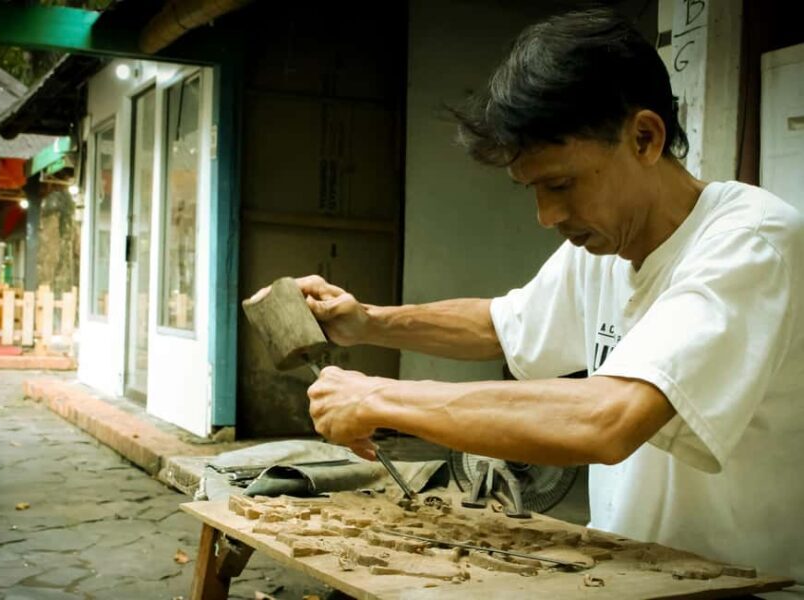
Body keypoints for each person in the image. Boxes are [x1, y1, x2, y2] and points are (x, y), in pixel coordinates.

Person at [252, 7, 803, 593]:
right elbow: (503, 325)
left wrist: (380, 396)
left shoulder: (749, 245)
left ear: (644, 137)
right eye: (533, 190)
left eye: (561, 184)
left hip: (748, 587)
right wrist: (366, 322)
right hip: (631, 574)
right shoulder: (606, 248)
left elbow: (607, 420)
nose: (546, 216)